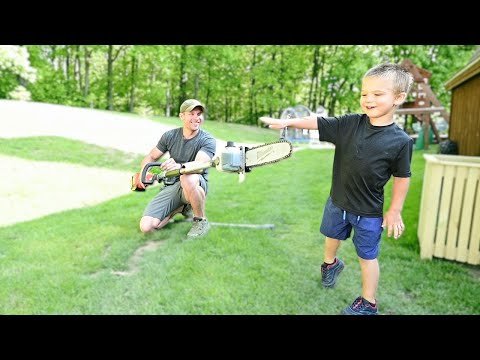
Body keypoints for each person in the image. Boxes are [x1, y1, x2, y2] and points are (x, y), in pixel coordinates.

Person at [260, 63, 414, 315]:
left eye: (377, 94)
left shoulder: (401, 141)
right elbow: (318, 122)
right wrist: (288, 122)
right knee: (331, 236)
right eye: (365, 93)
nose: (368, 99)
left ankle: (368, 303)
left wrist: (395, 210)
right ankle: (330, 265)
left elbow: (402, 177)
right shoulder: (350, 124)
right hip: (337, 202)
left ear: (398, 98)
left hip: (368, 213)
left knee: (367, 256)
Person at [134, 99, 216, 238]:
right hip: (171, 185)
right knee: (147, 227)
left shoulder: (207, 139)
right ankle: (180, 208)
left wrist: (180, 167)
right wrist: (144, 174)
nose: (197, 118)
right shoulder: (170, 136)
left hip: (195, 182)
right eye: (192, 114)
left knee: (188, 177)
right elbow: (151, 157)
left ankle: (200, 221)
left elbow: (200, 165)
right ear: (182, 116)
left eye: (199, 114)